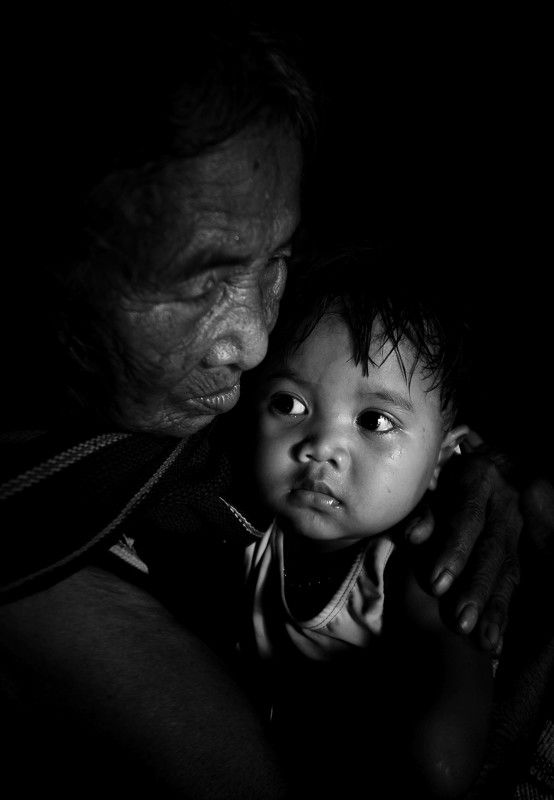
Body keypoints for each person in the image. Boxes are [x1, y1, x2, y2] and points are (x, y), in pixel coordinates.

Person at [0, 17, 551, 799]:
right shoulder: (45, 530)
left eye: (276, 262)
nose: (255, 343)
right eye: (200, 283)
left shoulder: (412, 552)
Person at [226, 246, 493, 797]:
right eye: (289, 405)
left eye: (374, 420)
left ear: (445, 459)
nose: (321, 447)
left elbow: (442, 761)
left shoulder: (414, 568)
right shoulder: (238, 523)